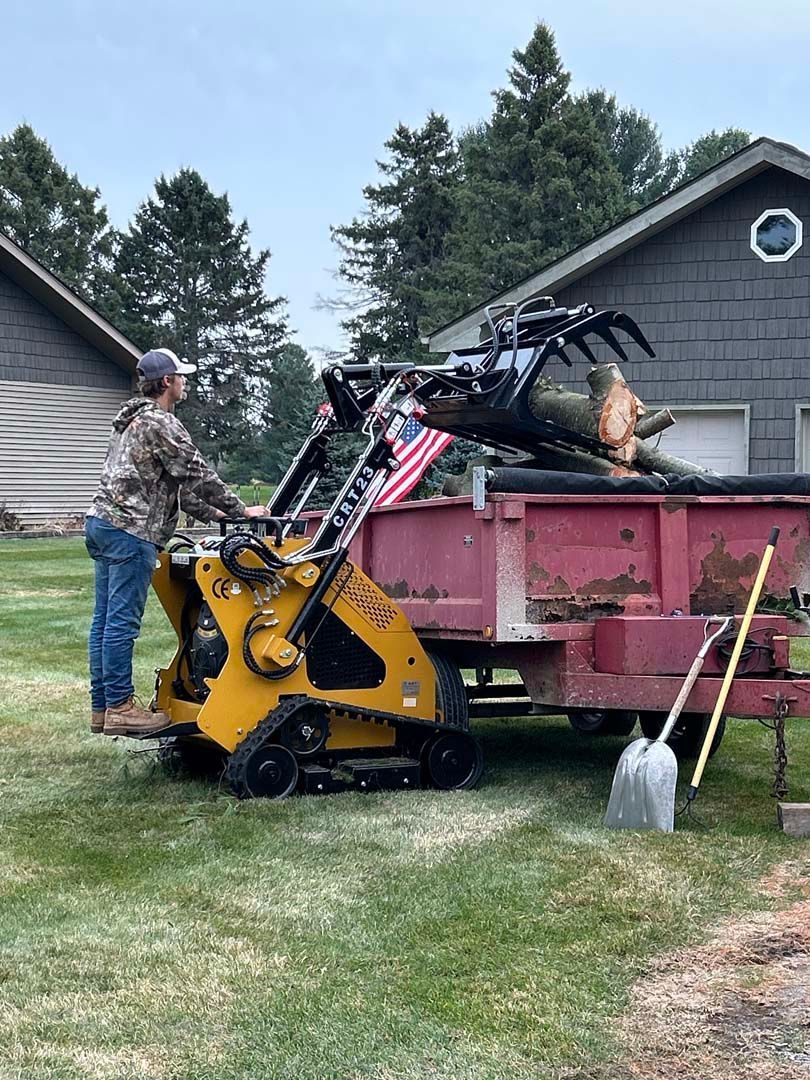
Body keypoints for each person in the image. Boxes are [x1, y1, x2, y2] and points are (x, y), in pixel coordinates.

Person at [85, 348, 266, 737]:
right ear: (167, 382)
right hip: (131, 532)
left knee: (103, 622)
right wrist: (241, 511)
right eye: (181, 376)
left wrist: (217, 517)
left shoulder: (128, 423)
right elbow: (197, 474)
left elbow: (176, 488)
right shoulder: (161, 423)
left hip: (102, 525)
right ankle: (120, 707)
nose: (185, 382)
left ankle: (102, 706)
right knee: (121, 623)